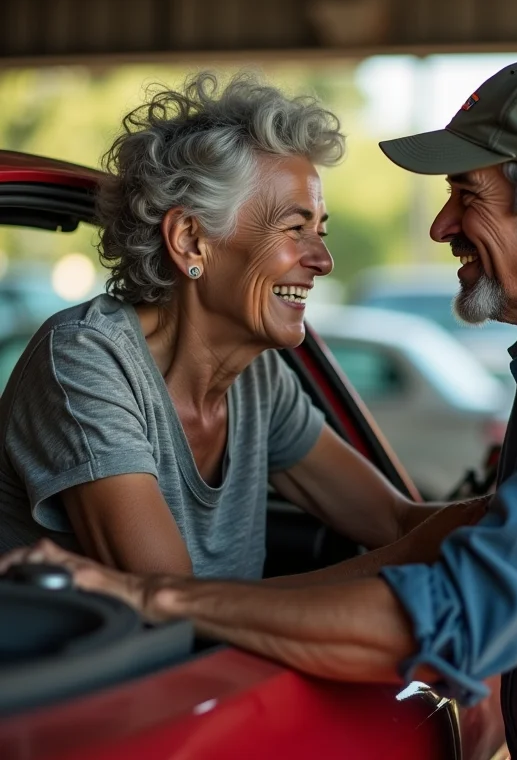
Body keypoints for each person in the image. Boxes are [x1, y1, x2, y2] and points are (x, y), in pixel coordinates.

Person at [4, 55, 517, 758]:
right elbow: (408, 540)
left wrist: (489, 537)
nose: (439, 227)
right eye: (294, 228)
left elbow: (437, 586)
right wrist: (500, 524)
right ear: (189, 241)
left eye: (466, 196)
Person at [0, 72, 483, 579]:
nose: (324, 260)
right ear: (189, 240)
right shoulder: (84, 362)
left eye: (320, 230)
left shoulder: (257, 380)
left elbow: (394, 518)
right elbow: (171, 601)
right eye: (295, 229)